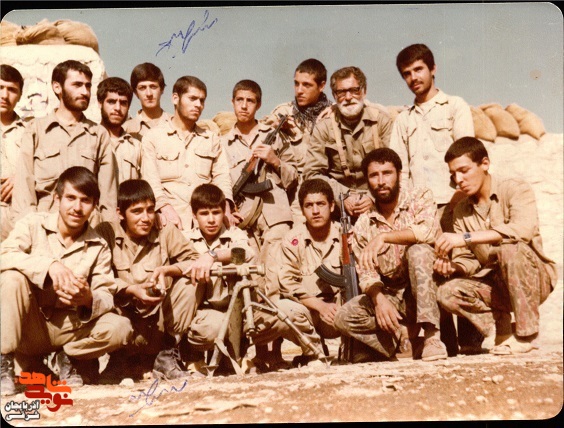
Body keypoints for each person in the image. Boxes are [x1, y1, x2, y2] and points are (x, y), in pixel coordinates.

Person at [1, 167, 133, 396]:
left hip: (70, 326)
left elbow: (106, 294)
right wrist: (49, 266)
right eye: (70, 198)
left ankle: (69, 356)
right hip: (30, 325)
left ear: (95, 205)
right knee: (12, 278)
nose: (77, 207)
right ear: (57, 198)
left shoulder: (99, 246)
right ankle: (4, 364)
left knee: (120, 328)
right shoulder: (33, 224)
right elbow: (4, 255)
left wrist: (89, 299)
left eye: (85, 200)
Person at [388, 43, 478, 355]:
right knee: (425, 268)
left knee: (459, 263)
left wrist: (459, 200)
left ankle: (471, 339)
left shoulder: (455, 107)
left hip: (455, 203)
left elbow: (467, 154)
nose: (413, 78)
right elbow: (399, 171)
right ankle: (438, 340)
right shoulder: (403, 120)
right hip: (422, 211)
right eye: (406, 74)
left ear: (433, 68)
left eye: (418, 70)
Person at [433, 137, 557, 355]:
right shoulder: (461, 210)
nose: (458, 180)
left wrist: (466, 237)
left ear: (485, 164)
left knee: (509, 248)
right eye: (453, 174)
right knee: (447, 293)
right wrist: (454, 267)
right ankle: (503, 328)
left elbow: (523, 230)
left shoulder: (515, 189)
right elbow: (468, 260)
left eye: (464, 170)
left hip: (534, 280)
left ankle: (526, 335)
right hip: (496, 285)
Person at [185, 184, 316, 372]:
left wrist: (212, 256)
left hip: (244, 313)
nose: (211, 219)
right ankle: (202, 357)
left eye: (216, 212)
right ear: (194, 215)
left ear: (224, 213)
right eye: (204, 214)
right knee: (212, 329)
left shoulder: (236, 234)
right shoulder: (186, 240)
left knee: (293, 312)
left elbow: (243, 253)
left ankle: (314, 354)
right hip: (209, 313)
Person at [333, 148, 448, 362]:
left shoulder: (419, 197)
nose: (381, 181)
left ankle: (432, 337)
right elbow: (366, 272)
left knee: (419, 251)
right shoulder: (364, 223)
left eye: (387, 173)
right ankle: (405, 340)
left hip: (428, 292)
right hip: (393, 298)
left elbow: (428, 232)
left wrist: (385, 237)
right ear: (367, 181)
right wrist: (379, 300)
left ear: (399, 175)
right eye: (374, 175)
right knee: (343, 317)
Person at [95, 179, 207, 382]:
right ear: (120, 213)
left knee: (192, 282)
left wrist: (168, 270)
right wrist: (130, 289)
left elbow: (194, 260)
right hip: (124, 320)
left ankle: (166, 354)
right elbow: (97, 275)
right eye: (137, 211)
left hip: (159, 323)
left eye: (150, 210)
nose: (145, 218)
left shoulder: (165, 230)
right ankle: (118, 359)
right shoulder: (106, 232)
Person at [12, 60, 118, 227]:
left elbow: (108, 195)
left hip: (86, 226)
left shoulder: (98, 134)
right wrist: (30, 228)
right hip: (44, 223)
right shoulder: (36, 130)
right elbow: (24, 188)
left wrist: (107, 231)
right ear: (57, 87)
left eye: (88, 86)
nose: (85, 92)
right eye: (77, 85)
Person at [221, 79, 298, 298]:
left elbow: (294, 177)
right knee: (249, 279)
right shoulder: (223, 144)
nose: (244, 106)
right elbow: (219, 181)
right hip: (243, 219)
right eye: (239, 100)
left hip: (274, 216)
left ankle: (275, 317)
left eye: (250, 101)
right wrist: (228, 209)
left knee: (275, 277)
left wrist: (274, 160)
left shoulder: (274, 136)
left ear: (259, 104)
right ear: (232, 102)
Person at [141, 75, 236, 237]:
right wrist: (164, 209)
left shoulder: (211, 139)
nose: (198, 105)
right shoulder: (153, 137)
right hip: (167, 223)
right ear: (175, 98)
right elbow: (151, 180)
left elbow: (222, 178)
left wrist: (226, 207)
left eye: (202, 100)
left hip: (206, 226)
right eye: (192, 99)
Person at [303, 66, 393, 220]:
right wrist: (342, 196)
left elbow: (396, 168)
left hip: (379, 200)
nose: (348, 97)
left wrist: (372, 197)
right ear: (334, 95)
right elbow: (312, 173)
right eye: (341, 92)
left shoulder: (382, 122)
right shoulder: (323, 127)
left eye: (354, 90)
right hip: (338, 207)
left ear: (364, 91)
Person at [278, 178, 343, 365]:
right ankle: (314, 351)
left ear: (331, 206)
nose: (315, 211)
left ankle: (354, 347)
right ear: (302, 209)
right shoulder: (292, 240)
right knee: (283, 309)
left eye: (321, 204)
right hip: (311, 313)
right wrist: (320, 306)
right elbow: (288, 285)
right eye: (309, 205)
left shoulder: (346, 235)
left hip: (342, 312)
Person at [266, 59, 333, 222]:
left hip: (326, 189)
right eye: (296, 84)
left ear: (322, 86)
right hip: (294, 194)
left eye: (306, 85)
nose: (299, 90)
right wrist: (273, 129)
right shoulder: (283, 112)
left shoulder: (333, 113)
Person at [97, 77, 142, 183]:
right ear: (100, 103)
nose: (117, 108)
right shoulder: (89, 141)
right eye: (111, 102)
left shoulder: (136, 147)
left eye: (123, 103)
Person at [1, 64, 27, 240]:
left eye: (11, 90)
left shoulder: (30, 131)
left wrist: (21, 176)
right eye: (0, 87)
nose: (4, 95)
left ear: (20, 95)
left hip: (16, 218)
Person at [123, 62, 171, 141]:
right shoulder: (126, 129)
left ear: (162, 89)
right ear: (136, 93)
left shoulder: (176, 124)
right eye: (142, 88)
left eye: (153, 87)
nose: (149, 94)